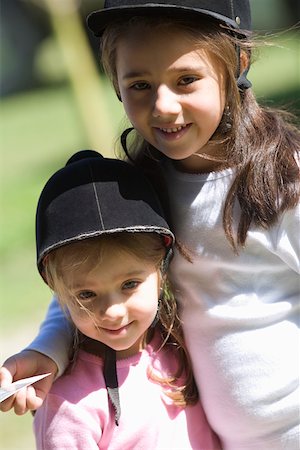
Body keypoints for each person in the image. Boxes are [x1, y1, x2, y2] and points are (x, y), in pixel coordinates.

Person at [1, 1, 299, 448]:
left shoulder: (282, 179)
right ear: (116, 85)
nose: (163, 105)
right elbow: (89, 282)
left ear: (236, 62)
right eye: (140, 84)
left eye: (186, 80)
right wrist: (47, 349)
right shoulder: (136, 192)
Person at [33, 149, 220, 449]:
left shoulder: (179, 343)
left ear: (161, 269)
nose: (113, 311)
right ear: (58, 291)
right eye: (86, 294)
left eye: (130, 284)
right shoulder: (68, 406)